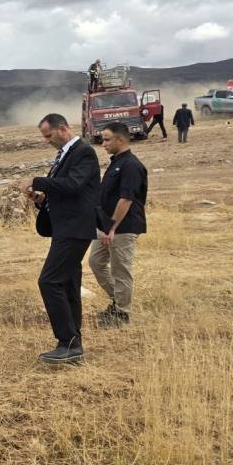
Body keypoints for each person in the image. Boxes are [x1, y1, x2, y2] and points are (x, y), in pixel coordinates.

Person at [26, 114, 100, 364]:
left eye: (49, 135)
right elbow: (65, 193)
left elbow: (74, 185)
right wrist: (42, 199)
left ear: (62, 129)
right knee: (67, 284)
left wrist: (38, 181)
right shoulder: (64, 155)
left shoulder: (83, 152)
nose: (47, 140)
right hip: (64, 228)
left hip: (75, 230)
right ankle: (73, 342)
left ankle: (67, 341)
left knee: (49, 281)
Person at [88, 122, 147, 328]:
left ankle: (122, 314)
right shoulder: (116, 162)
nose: (102, 143)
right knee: (96, 262)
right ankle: (118, 299)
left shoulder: (131, 165)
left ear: (120, 140)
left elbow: (126, 199)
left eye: (106, 139)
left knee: (121, 271)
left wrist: (112, 227)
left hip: (123, 227)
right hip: (106, 226)